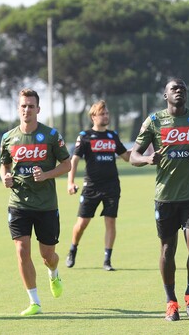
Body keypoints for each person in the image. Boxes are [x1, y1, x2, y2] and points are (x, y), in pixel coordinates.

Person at [130, 78, 189, 321]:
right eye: (174, 89)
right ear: (165, 95)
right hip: (165, 198)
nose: (179, 92)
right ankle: (171, 301)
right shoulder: (154, 121)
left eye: (183, 89)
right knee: (168, 249)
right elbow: (133, 155)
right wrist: (147, 159)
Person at [0, 89, 71, 316]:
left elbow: (67, 164)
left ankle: (54, 272)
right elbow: (5, 165)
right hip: (19, 203)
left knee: (47, 256)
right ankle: (35, 302)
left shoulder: (51, 135)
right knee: (21, 251)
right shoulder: (8, 137)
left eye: (31, 106)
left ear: (38, 109)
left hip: (46, 205)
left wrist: (47, 175)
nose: (27, 109)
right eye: (23, 106)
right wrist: (5, 178)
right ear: (18, 108)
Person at [66, 100, 130, 271]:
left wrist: (145, 155)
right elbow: (75, 160)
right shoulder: (85, 136)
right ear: (93, 116)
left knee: (110, 222)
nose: (106, 116)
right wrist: (70, 182)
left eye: (107, 113)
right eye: (102, 113)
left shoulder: (112, 136)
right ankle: (73, 249)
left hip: (112, 186)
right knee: (82, 223)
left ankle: (107, 260)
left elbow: (126, 156)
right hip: (91, 187)